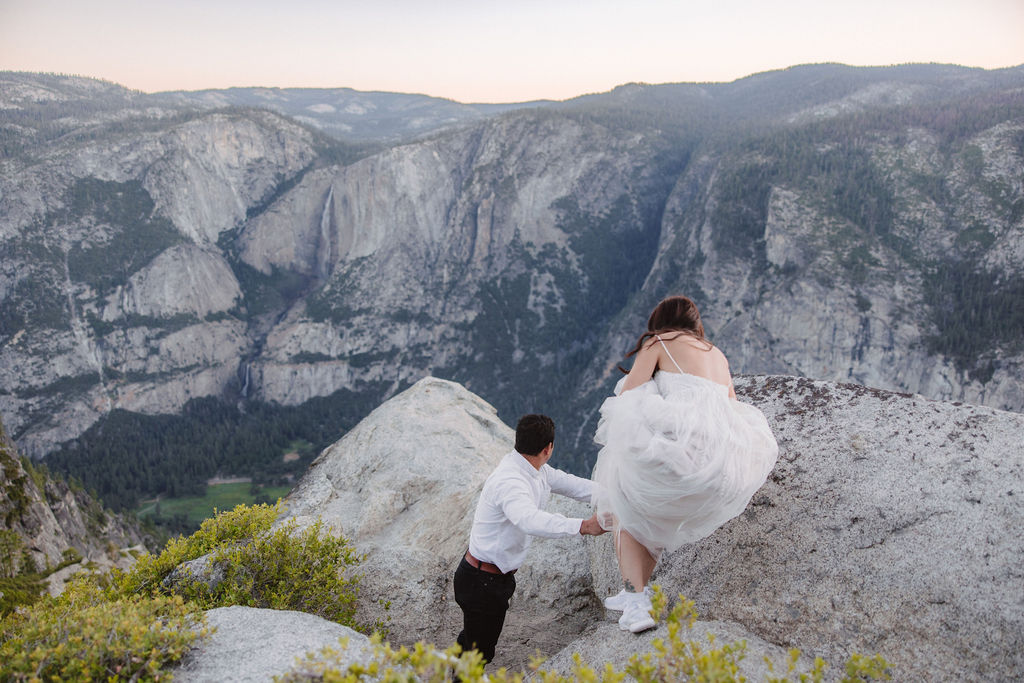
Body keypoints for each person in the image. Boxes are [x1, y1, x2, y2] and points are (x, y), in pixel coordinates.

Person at [591, 295, 779, 633]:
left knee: (623, 503)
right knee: (653, 520)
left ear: (661, 320)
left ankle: (636, 603)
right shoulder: (717, 355)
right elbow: (730, 409)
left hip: (680, 455)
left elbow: (627, 395)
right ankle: (633, 590)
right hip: (720, 466)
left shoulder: (659, 341)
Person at [454, 414, 607, 667]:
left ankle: (447, 668)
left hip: (490, 577)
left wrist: (618, 495)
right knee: (480, 652)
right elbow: (529, 520)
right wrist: (583, 526)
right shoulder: (510, 481)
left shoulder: (536, 470)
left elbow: (573, 485)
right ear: (548, 448)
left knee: (473, 639)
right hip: (481, 581)